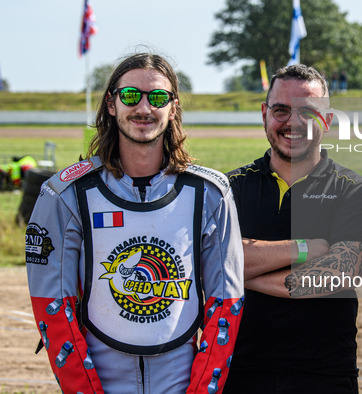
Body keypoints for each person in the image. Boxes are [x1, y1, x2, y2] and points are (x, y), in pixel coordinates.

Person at [25, 53, 244, 394]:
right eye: (130, 96)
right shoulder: (64, 195)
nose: (144, 108)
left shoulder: (212, 194)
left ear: (173, 108)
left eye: (157, 97)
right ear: (111, 104)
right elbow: (53, 309)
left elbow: (227, 304)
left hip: (180, 383)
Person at [223, 64, 362, 394]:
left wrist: (238, 269)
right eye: (281, 110)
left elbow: (339, 273)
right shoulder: (228, 188)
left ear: (328, 120)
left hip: (324, 374)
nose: (293, 122)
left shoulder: (351, 189)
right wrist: (306, 248)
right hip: (240, 372)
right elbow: (208, 265)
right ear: (264, 114)